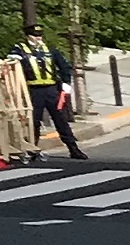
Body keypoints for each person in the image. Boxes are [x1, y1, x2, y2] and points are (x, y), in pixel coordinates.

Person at [10, 28, 81, 160]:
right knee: (34, 121)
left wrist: (66, 82)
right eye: (35, 35)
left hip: (51, 89)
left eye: (40, 35)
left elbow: (64, 66)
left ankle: (73, 148)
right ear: (28, 36)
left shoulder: (49, 50)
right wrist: (14, 58)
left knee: (60, 120)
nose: (38, 38)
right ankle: (33, 150)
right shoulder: (20, 49)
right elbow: (12, 62)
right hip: (33, 90)